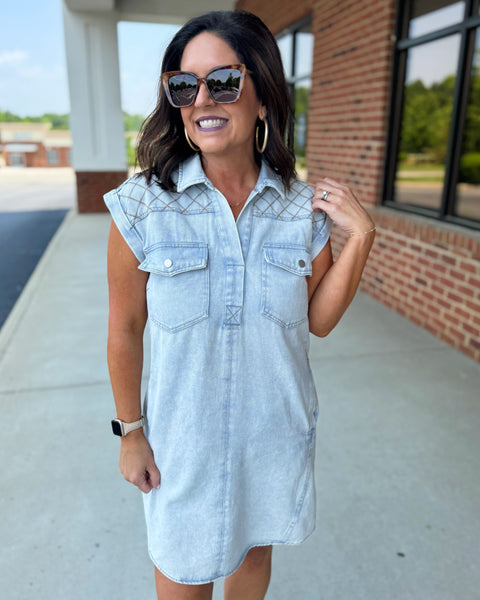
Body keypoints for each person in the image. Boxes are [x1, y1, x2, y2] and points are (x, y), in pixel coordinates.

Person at [105, 9, 375, 600]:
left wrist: (360, 239)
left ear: (263, 98)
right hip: (182, 443)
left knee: (254, 555)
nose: (202, 98)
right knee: (183, 569)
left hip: (272, 435)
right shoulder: (142, 206)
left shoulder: (301, 210)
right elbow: (124, 326)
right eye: (184, 85)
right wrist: (131, 433)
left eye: (224, 81)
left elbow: (319, 321)